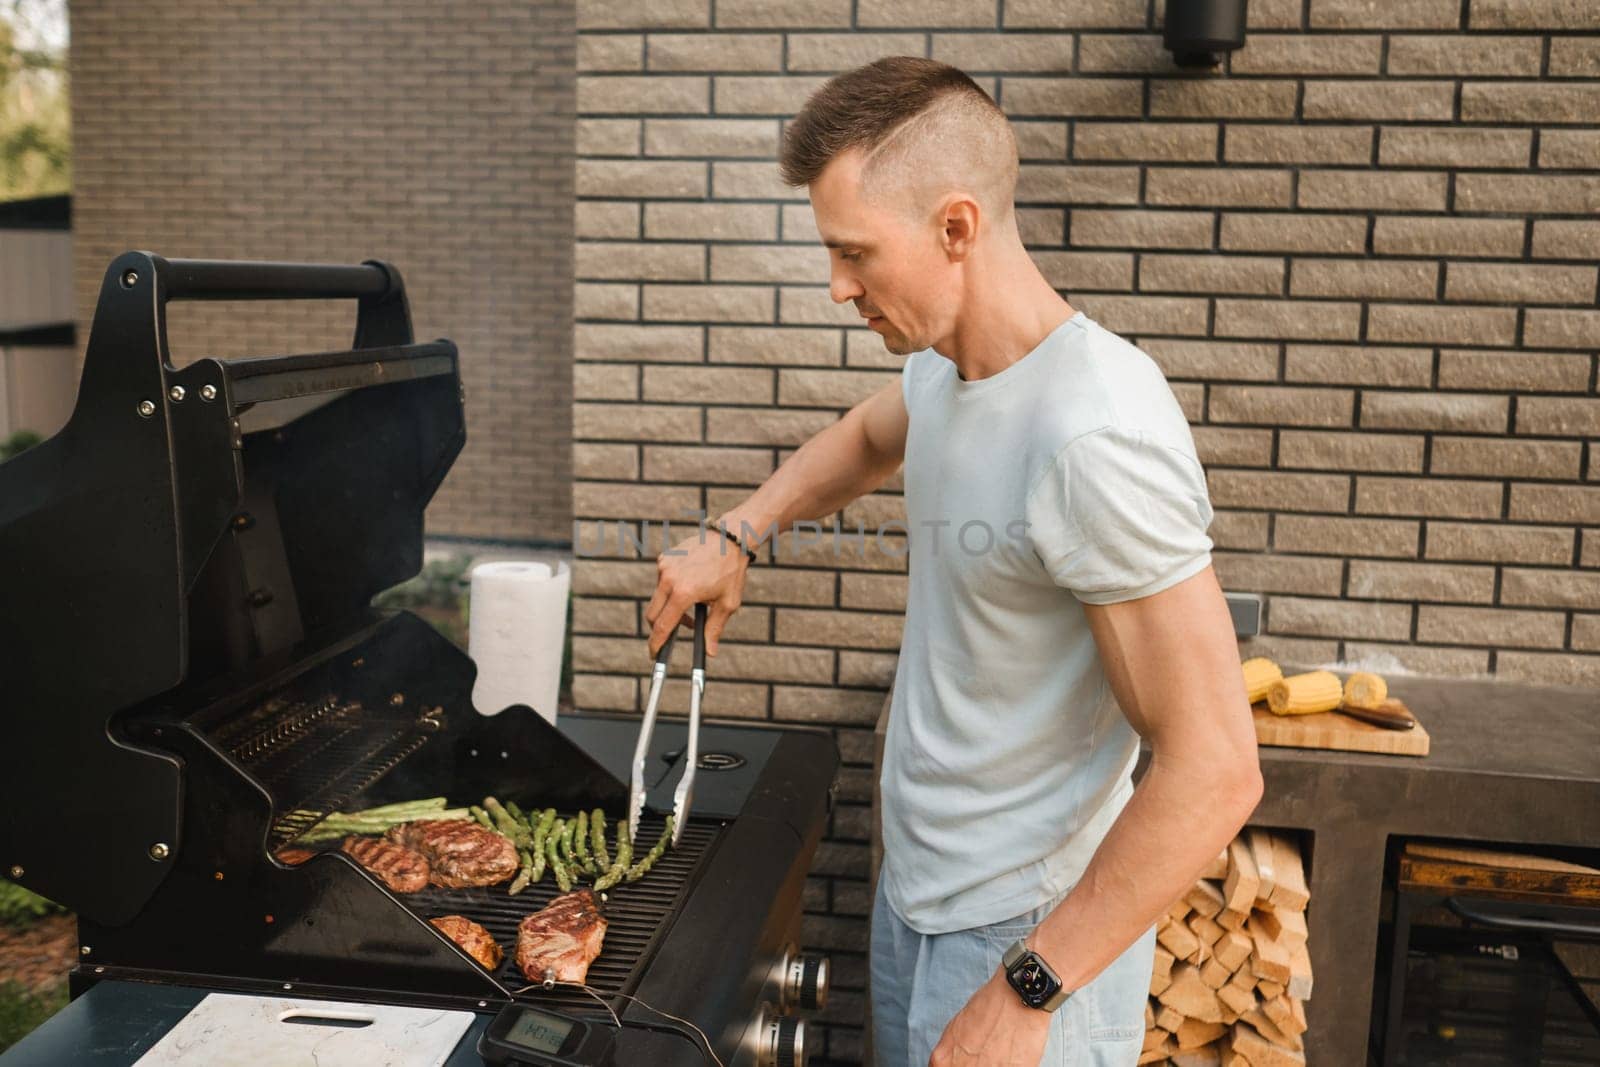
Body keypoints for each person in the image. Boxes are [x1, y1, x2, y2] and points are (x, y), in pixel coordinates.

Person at [644, 56, 1263, 1067]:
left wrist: (1027, 988)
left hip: (1025, 929)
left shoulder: (1093, 435)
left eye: (854, 254)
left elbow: (1214, 768)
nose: (837, 287)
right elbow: (864, 439)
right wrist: (736, 532)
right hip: (921, 892)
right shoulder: (946, 365)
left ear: (957, 227)